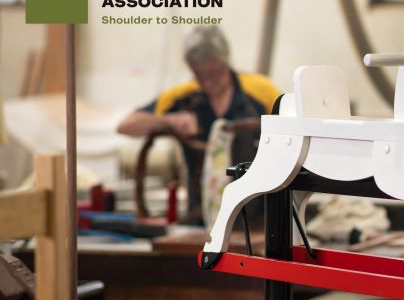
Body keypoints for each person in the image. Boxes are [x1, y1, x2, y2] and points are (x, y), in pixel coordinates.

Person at [117, 26, 281, 215]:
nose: (208, 83)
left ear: (225, 62)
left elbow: (291, 135)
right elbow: (126, 126)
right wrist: (171, 120)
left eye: (214, 74)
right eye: (200, 75)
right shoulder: (183, 97)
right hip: (201, 212)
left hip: (259, 212)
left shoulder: (261, 91)